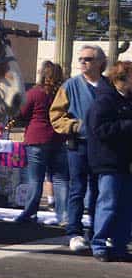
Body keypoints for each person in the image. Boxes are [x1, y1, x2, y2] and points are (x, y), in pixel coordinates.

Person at [50, 45, 108, 253]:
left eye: (88, 59)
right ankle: (74, 232)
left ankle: (97, 231)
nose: (83, 62)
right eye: (81, 59)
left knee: (100, 191)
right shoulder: (70, 85)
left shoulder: (108, 86)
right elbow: (56, 116)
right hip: (78, 145)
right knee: (77, 189)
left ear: (100, 62)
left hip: (104, 147)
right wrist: (76, 126)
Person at [84, 61, 132, 261]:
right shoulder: (105, 100)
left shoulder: (127, 100)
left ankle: (120, 245)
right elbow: (99, 130)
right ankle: (99, 244)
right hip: (109, 161)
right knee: (108, 203)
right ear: (123, 78)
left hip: (126, 162)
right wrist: (127, 125)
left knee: (126, 207)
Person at [14, 61, 69, 224]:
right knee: (60, 179)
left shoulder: (34, 93)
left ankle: (30, 213)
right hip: (58, 138)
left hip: (36, 139)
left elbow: (22, 113)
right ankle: (64, 216)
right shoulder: (63, 93)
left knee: (35, 179)